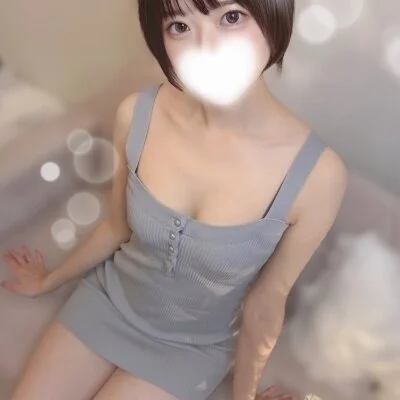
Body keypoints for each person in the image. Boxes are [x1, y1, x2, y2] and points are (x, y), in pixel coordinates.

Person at [1, 0, 347, 399]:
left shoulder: (319, 176)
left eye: (231, 17)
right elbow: (116, 226)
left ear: (272, 15)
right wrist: (48, 280)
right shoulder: (138, 114)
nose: (206, 46)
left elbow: (266, 302)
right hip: (108, 303)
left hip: (192, 349)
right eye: (180, 26)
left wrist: (245, 395)